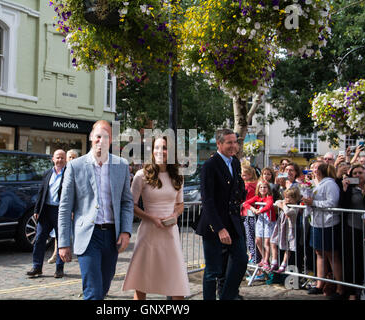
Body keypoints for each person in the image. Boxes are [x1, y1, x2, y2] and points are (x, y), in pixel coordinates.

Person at [57, 120, 134, 300]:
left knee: (104, 288)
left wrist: (125, 231)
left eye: (106, 137)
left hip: (111, 237)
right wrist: (63, 242)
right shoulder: (75, 166)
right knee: (93, 292)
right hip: (88, 236)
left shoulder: (121, 165)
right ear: (91, 137)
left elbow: (126, 202)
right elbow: (65, 207)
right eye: (98, 136)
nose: (101, 141)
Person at [122, 137, 190, 300]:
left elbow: (180, 204)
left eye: (165, 148)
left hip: (170, 233)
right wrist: (151, 218)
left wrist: (174, 215)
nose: (161, 151)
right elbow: (132, 205)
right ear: (152, 151)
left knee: (177, 282)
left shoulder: (178, 176)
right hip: (149, 233)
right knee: (142, 282)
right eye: (157, 148)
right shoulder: (141, 175)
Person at [195, 128, 248, 300]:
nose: (234, 146)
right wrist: (219, 229)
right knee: (213, 271)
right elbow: (208, 200)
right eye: (229, 142)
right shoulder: (210, 165)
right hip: (214, 224)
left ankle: (227, 297)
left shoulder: (235, 163)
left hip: (233, 221)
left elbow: (236, 190)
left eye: (235, 142)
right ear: (219, 144)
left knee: (241, 260)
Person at [302, 163, 344, 299]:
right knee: (319, 252)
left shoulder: (330, 184)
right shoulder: (315, 183)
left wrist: (313, 203)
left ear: (320, 171)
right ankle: (320, 284)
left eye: (315, 168)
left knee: (332, 255)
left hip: (328, 223)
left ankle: (340, 288)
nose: (312, 170)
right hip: (316, 222)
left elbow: (332, 203)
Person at [26, 149, 67, 278]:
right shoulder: (47, 173)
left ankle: (59, 268)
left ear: (65, 160)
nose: (59, 160)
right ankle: (37, 266)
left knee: (61, 240)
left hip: (61, 211)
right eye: (57, 158)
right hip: (46, 210)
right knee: (39, 239)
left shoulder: (69, 174)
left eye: (62, 158)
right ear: (53, 159)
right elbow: (41, 192)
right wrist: (37, 210)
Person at [340, 164, 365, 299]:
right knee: (353, 260)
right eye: (355, 173)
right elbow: (343, 206)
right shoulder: (350, 189)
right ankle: (352, 291)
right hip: (353, 228)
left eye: (360, 173)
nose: (358, 175)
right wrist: (345, 189)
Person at [48, 149, 79, 264]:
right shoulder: (63, 171)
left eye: (74, 157)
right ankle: (56, 253)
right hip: (60, 208)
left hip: (73, 209)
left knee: (76, 232)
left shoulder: (77, 172)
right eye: (70, 157)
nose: (71, 160)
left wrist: (73, 209)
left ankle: (78, 252)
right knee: (59, 232)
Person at [243, 180, 277, 272]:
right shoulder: (257, 197)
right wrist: (253, 209)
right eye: (261, 187)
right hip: (260, 221)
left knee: (266, 242)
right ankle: (264, 258)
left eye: (265, 187)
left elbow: (269, 206)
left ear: (268, 189)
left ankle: (266, 260)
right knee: (258, 240)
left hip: (268, 221)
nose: (263, 189)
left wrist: (259, 211)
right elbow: (246, 203)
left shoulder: (269, 197)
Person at [271, 187, 302, 273]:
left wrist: (283, 206)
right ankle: (274, 261)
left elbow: (288, 212)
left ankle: (283, 264)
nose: (286, 199)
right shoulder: (285, 204)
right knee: (273, 241)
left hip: (290, 229)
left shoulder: (295, 207)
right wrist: (281, 203)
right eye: (285, 197)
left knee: (287, 247)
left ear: (294, 198)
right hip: (281, 227)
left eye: (288, 197)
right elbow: (277, 202)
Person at [240, 165, 259, 264]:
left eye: (244, 175)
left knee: (250, 238)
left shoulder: (247, 186)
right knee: (254, 238)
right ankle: (254, 258)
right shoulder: (257, 184)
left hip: (247, 213)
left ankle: (254, 259)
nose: (242, 177)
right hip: (252, 213)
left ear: (249, 175)